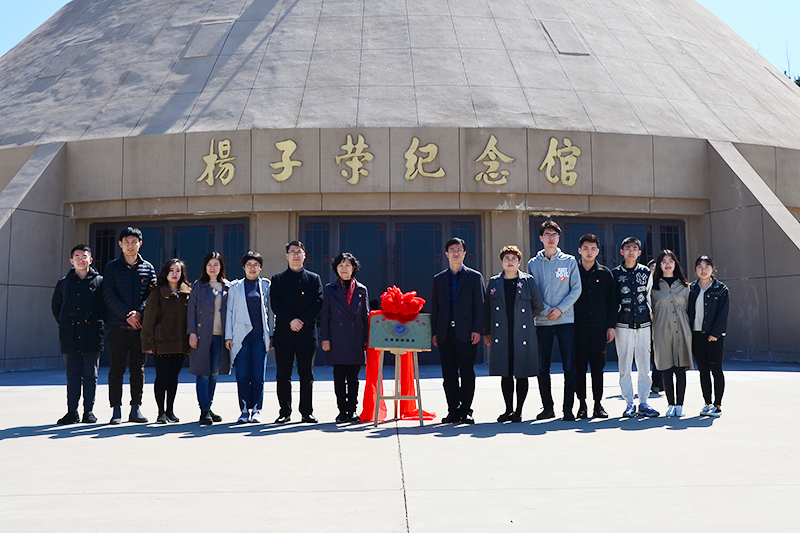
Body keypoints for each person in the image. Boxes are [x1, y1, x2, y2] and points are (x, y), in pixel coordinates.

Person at [527, 220, 582, 421]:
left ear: (559, 238)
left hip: (565, 320)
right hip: (542, 322)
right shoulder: (533, 263)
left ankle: (568, 409)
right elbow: (532, 291)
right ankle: (548, 408)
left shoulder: (569, 261)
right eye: (547, 234)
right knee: (542, 367)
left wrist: (560, 309)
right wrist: (546, 309)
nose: (551, 238)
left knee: (569, 366)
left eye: (554, 234)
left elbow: (576, 289)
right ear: (541, 238)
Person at [103, 227, 157, 424]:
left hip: (140, 328)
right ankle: (116, 409)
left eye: (134, 242)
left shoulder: (148, 268)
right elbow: (108, 295)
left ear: (140, 244)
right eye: (126, 242)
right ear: (120, 244)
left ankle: (136, 408)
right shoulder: (111, 268)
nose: (130, 245)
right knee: (116, 369)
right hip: (118, 327)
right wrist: (127, 315)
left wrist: (139, 313)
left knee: (137, 369)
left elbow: (152, 294)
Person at [484, 245, 544, 422]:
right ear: (501, 262)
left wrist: (524, 319)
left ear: (519, 262)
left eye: (514, 259)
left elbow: (538, 305)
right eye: (506, 259)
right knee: (506, 372)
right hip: (501, 333)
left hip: (522, 334)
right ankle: (508, 409)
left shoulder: (528, 281)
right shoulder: (494, 282)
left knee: (522, 372)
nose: (510, 262)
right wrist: (487, 332)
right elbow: (486, 309)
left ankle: (519, 411)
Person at [431, 237, 485, 424]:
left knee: (467, 372)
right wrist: (434, 332)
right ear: (446, 254)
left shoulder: (474, 277)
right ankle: (453, 410)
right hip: (445, 333)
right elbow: (435, 308)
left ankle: (466, 410)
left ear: (464, 253)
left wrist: (478, 329)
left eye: (459, 249)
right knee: (449, 374)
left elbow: (480, 306)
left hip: (467, 333)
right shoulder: (439, 279)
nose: (456, 253)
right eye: (452, 250)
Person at [51, 244, 105, 425]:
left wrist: (100, 325)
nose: (81, 260)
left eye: (84, 256)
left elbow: (105, 307)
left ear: (90, 260)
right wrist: (65, 324)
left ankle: (88, 412)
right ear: (71, 260)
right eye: (77, 257)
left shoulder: (100, 282)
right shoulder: (63, 283)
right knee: (72, 375)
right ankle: (72, 412)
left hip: (92, 335)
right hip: (70, 335)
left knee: (90, 375)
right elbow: (56, 307)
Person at [270, 241, 323, 424]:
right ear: (287, 256)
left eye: (299, 252)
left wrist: (302, 321)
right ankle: (284, 412)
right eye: (292, 252)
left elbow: (318, 302)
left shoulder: (314, 279)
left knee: (306, 375)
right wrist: (291, 320)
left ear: (304, 255)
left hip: (306, 334)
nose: (296, 255)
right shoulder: (278, 279)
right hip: (284, 334)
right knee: (283, 375)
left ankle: (306, 412)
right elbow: (275, 304)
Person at [612, 237, 659, 418]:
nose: (631, 251)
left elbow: (649, 296)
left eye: (634, 248)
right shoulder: (615, 274)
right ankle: (629, 402)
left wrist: (652, 320)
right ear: (622, 251)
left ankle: (644, 401)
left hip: (643, 323)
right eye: (627, 248)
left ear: (639, 252)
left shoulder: (646, 272)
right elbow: (612, 300)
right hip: (623, 324)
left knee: (644, 365)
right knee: (624, 365)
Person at [320, 252, 370, 423]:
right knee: (339, 377)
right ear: (336, 268)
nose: (344, 268)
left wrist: (367, 339)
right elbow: (325, 315)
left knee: (354, 378)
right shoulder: (330, 289)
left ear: (353, 268)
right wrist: (325, 338)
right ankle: (342, 411)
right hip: (337, 338)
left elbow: (366, 315)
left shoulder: (361, 289)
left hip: (356, 338)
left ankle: (352, 410)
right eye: (340, 265)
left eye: (347, 265)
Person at [141, 258, 191, 424]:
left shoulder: (188, 292)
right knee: (162, 377)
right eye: (171, 270)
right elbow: (148, 320)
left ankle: (170, 411)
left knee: (173, 378)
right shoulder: (157, 293)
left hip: (180, 343)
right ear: (165, 273)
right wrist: (148, 343)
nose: (174, 274)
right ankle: (161, 412)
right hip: (161, 343)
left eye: (178, 271)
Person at [226, 252, 273, 424]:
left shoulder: (266, 285)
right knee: (243, 374)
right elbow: (230, 312)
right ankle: (244, 409)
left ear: (260, 267)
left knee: (258, 374)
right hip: (241, 337)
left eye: (256, 265)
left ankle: (257, 410)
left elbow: (271, 312)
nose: (252, 268)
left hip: (260, 336)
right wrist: (228, 336)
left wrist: (272, 334)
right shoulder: (235, 287)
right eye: (249, 265)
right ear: (243, 267)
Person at [573, 234, 616, 419]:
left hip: (599, 329)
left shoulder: (605, 273)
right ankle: (582, 404)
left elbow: (612, 302)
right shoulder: (573, 271)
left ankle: (598, 404)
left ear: (598, 251)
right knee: (579, 368)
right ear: (579, 250)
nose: (589, 252)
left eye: (593, 249)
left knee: (598, 368)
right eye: (585, 248)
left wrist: (611, 326)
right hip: (577, 329)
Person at [187, 252, 232, 426]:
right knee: (202, 373)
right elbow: (191, 311)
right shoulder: (198, 286)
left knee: (213, 374)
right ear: (205, 267)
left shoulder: (228, 287)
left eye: (216, 265)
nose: (212, 268)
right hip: (201, 335)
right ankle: (204, 410)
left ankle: (209, 406)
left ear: (221, 267)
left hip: (220, 336)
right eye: (209, 265)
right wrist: (192, 332)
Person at [650, 250, 692, 417]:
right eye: (664, 261)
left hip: (681, 331)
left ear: (676, 264)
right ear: (659, 265)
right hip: (662, 331)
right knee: (666, 369)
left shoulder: (685, 286)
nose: (668, 264)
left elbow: (690, 310)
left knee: (681, 369)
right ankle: (670, 404)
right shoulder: (654, 287)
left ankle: (680, 405)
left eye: (671, 261)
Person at [688, 255, 730, 417]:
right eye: (700, 266)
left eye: (707, 266)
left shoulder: (721, 289)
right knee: (703, 370)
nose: (703, 270)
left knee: (716, 370)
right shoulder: (691, 288)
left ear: (713, 269)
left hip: (713, 337)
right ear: (695, 269)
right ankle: (707, 403)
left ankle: (717, 404)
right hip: (696, 335)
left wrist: (715, 333)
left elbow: (723, 314)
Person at [647, 258, 663, 394]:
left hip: (662, 324)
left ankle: (658, 382)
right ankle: (656, 382)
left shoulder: (663, 285)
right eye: (652, 267)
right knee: (653, 355)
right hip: (648, 324)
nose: (654, 270)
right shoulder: (645, 285)